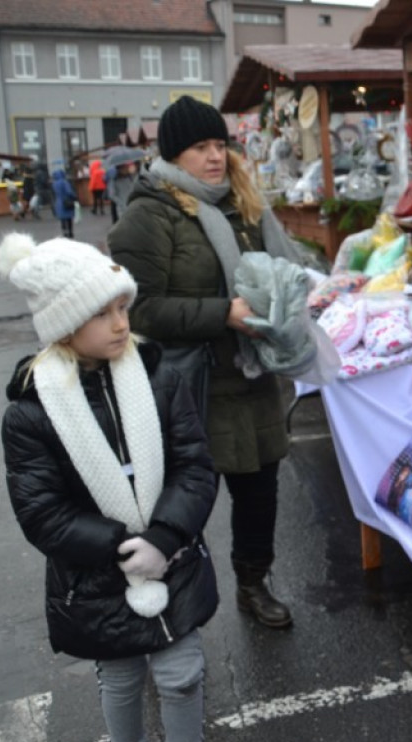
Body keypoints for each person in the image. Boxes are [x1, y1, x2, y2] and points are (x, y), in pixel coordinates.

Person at [0, 232, 218, 742]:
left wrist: (164, 536)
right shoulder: (31, 412)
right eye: (102, 313)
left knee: (182, 674)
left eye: (123, 307)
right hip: (93, 574)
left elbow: (194, 466)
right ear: (65, 325)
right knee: (120, 676)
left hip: (172, 555)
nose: (121, 324)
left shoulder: (159, 377)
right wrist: (120, 546)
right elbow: (41, 512)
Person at [109, 95, 305, 629]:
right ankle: (169, 595)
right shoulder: (149, 214)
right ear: (174, 154)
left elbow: (272, 270)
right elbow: (137, 309)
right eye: (201, 147)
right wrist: (224, 314)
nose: (216, 156)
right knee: (184, 501)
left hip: (251, 375)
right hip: (188, 387)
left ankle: (253, 583)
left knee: (260, 493)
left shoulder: (241, 204)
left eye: (220, 144)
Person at [51, 167, 78, 238]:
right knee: (69, 218)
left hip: (58, 202)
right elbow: (69, 192)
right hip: (66, 201)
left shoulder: (54, 183)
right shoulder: (64, 182)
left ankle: (64, 232)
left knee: (62, 219)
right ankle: (70, 232)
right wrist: (74, 196)